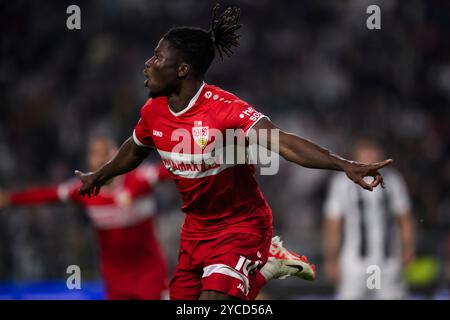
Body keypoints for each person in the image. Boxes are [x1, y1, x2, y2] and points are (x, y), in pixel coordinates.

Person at [74, 5, 392, 300]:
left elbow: (282, 142)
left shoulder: (225, 110)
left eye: (157, 57)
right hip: (195, 230)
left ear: (182, 69)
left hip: (241, 225)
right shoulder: (153, 111)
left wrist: (344, 164)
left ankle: (264, 264)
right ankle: (271, 265)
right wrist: (100, 176)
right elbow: (135, 148)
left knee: (215, 301)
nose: (148, 63)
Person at [0, 137, 170, 300]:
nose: (100, 159)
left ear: (120, 156)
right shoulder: (84, 190)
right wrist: (10, 199)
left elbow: (174, 168)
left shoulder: (140, 179)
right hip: (116, 280)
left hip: (149, 275)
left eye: (105, 153)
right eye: (94, 154)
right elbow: (49, 194)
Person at [323, 139, 414, 299]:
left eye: (373, 152)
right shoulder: (342, 182)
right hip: (354, 261)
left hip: (388, 259)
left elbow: (404, 219)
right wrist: (331, 258)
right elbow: (333, 223)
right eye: (365, 152)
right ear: (355, 156)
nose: (369, 157)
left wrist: (407, 249)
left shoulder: (393, 180)